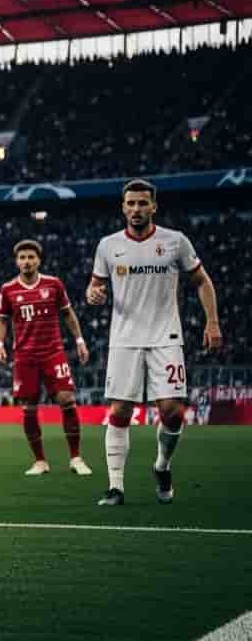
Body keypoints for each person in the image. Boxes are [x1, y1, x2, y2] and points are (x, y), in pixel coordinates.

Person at [88, 179, 221, 506]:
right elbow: (96, 286)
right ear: (123, 207)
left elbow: (202, 280)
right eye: (130, 203)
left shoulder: (175, 241)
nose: (136, 209)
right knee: (119, 410)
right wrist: (94, 294)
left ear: (153, 206)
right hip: (124, 338)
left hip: (166, 336)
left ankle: (162, 465)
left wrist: (212, 321)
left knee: (173, 412)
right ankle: (116, 487)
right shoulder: (107, 245)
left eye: (142, 203)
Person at [0, 239, 92, 476]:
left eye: (31, 257)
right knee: (28, 408)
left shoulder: (54, 284)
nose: (27, 261)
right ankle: (40, 461)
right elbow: (1, 320)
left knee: (67, 399)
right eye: (22, 257)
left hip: (53, 352)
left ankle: (76, 458)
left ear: (39, 259)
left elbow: (68, 313)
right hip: (25, 356)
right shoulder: (8, 289)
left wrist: (79, 340)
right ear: (16, 261)